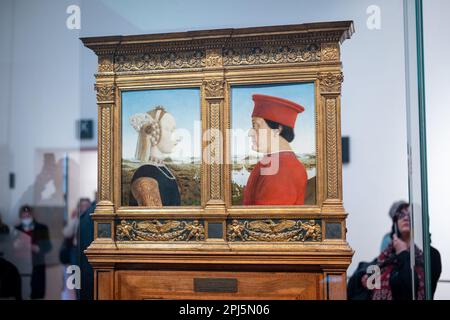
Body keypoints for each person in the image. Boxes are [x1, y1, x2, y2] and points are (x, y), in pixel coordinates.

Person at [348, 202, 442, 300]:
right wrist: (364, 278)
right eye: (401, 215)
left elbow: (408, 290)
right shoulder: (386, 255)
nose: (406, 218)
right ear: (395, 223)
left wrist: (402, 253)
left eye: (411, 215)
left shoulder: (430, 255)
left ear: (419, 221)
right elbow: (363, 277)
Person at [243, 94, 308, 205]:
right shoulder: (274, 162)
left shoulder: (280, 170)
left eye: (256, 125)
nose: (250, 133)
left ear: (277, 130)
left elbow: (267, 221)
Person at [129, 106, 181, 206]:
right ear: (155, 131)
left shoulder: (165, 170)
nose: (177, 137)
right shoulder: (145, 175)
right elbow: (155, 220)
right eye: (170, 130)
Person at [14, 205, 52, 299]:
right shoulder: (16, 230)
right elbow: (10, 249)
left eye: (28, 216)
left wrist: (38, 248)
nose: (26, 218)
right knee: (21, 292)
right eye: (23, 217)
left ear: (32, 216)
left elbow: (48, 247)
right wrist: (15, 246)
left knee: (37, 293)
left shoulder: (42, 228)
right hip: (21, 266)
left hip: (37, 265)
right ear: (20, 217)